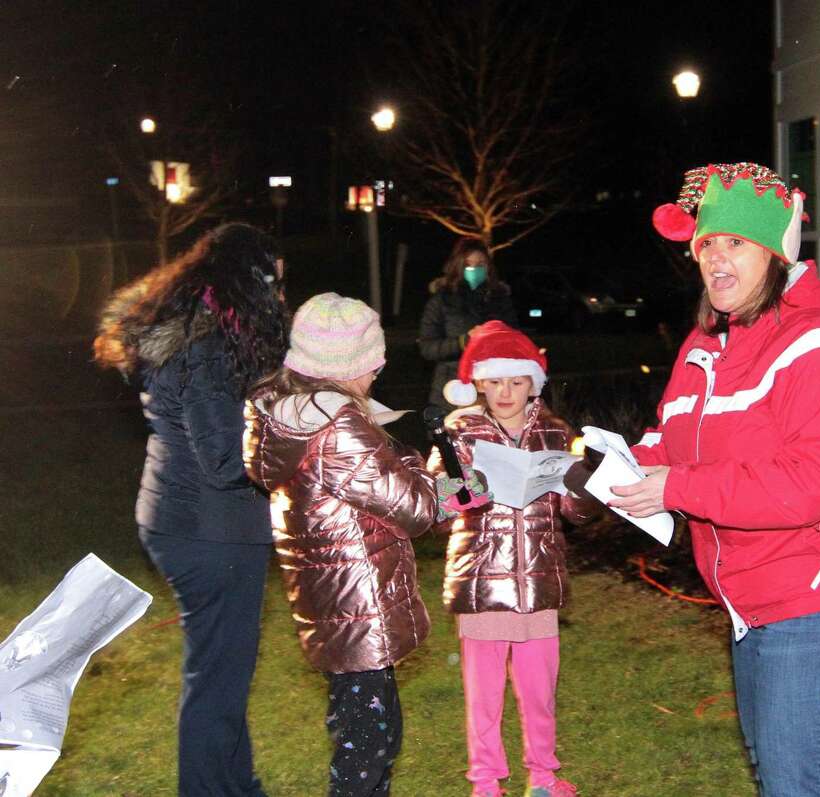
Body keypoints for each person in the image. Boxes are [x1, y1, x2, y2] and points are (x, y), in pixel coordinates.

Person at [607, 163, 820, 796]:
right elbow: (673, 431)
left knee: (794, 781)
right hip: (759, 594)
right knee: (779, 771)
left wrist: (676, 488)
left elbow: (813, 481)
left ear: (776, 254)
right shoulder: (707, 343)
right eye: (707, 245)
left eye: (737, 243)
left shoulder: (816, 344)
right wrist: (624, 463)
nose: (717, 259)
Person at [93, 222, 288, 796]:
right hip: (211, 530)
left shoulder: (187, 335)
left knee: (222, 672)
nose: (279, 299)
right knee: (218, 682)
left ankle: (238, 786)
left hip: (186, 519)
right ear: (245, 284)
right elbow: (227, 462)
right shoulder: (204, 350)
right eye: (273, 286)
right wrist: (296, 448)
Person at [245, 292, 451, 797]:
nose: (375, 377)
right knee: (367, 745)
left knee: (371, 734)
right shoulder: (339, 427)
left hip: (331, 598)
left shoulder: (287, 415)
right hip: (358, 602)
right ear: (349, 366)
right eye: (372, 368)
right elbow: (417, 508)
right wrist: (438, 473)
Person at [430, 321, 598, 797]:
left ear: (533, 383)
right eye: (495, 380)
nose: (505, 392)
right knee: (483, 694)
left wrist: (582, 482)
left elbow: (576, 514)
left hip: (538, 583)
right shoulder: (458, 433)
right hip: (482, 581)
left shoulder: (555, 432)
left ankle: (542, 776)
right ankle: (485, 781)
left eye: (517, 380)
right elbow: (437, 512)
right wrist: (460, 495)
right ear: (479, 383)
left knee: (539, 690)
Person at [419, 239, 519, 407]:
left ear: (488, 268)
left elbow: (515, 341)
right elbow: (427, 348)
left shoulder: (500, 300)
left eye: (480, 264)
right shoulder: (441, 301)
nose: (474, 269)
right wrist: (463, 342)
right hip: (451, 390)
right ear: (458, 266)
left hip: (493, 390)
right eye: (468, 264)